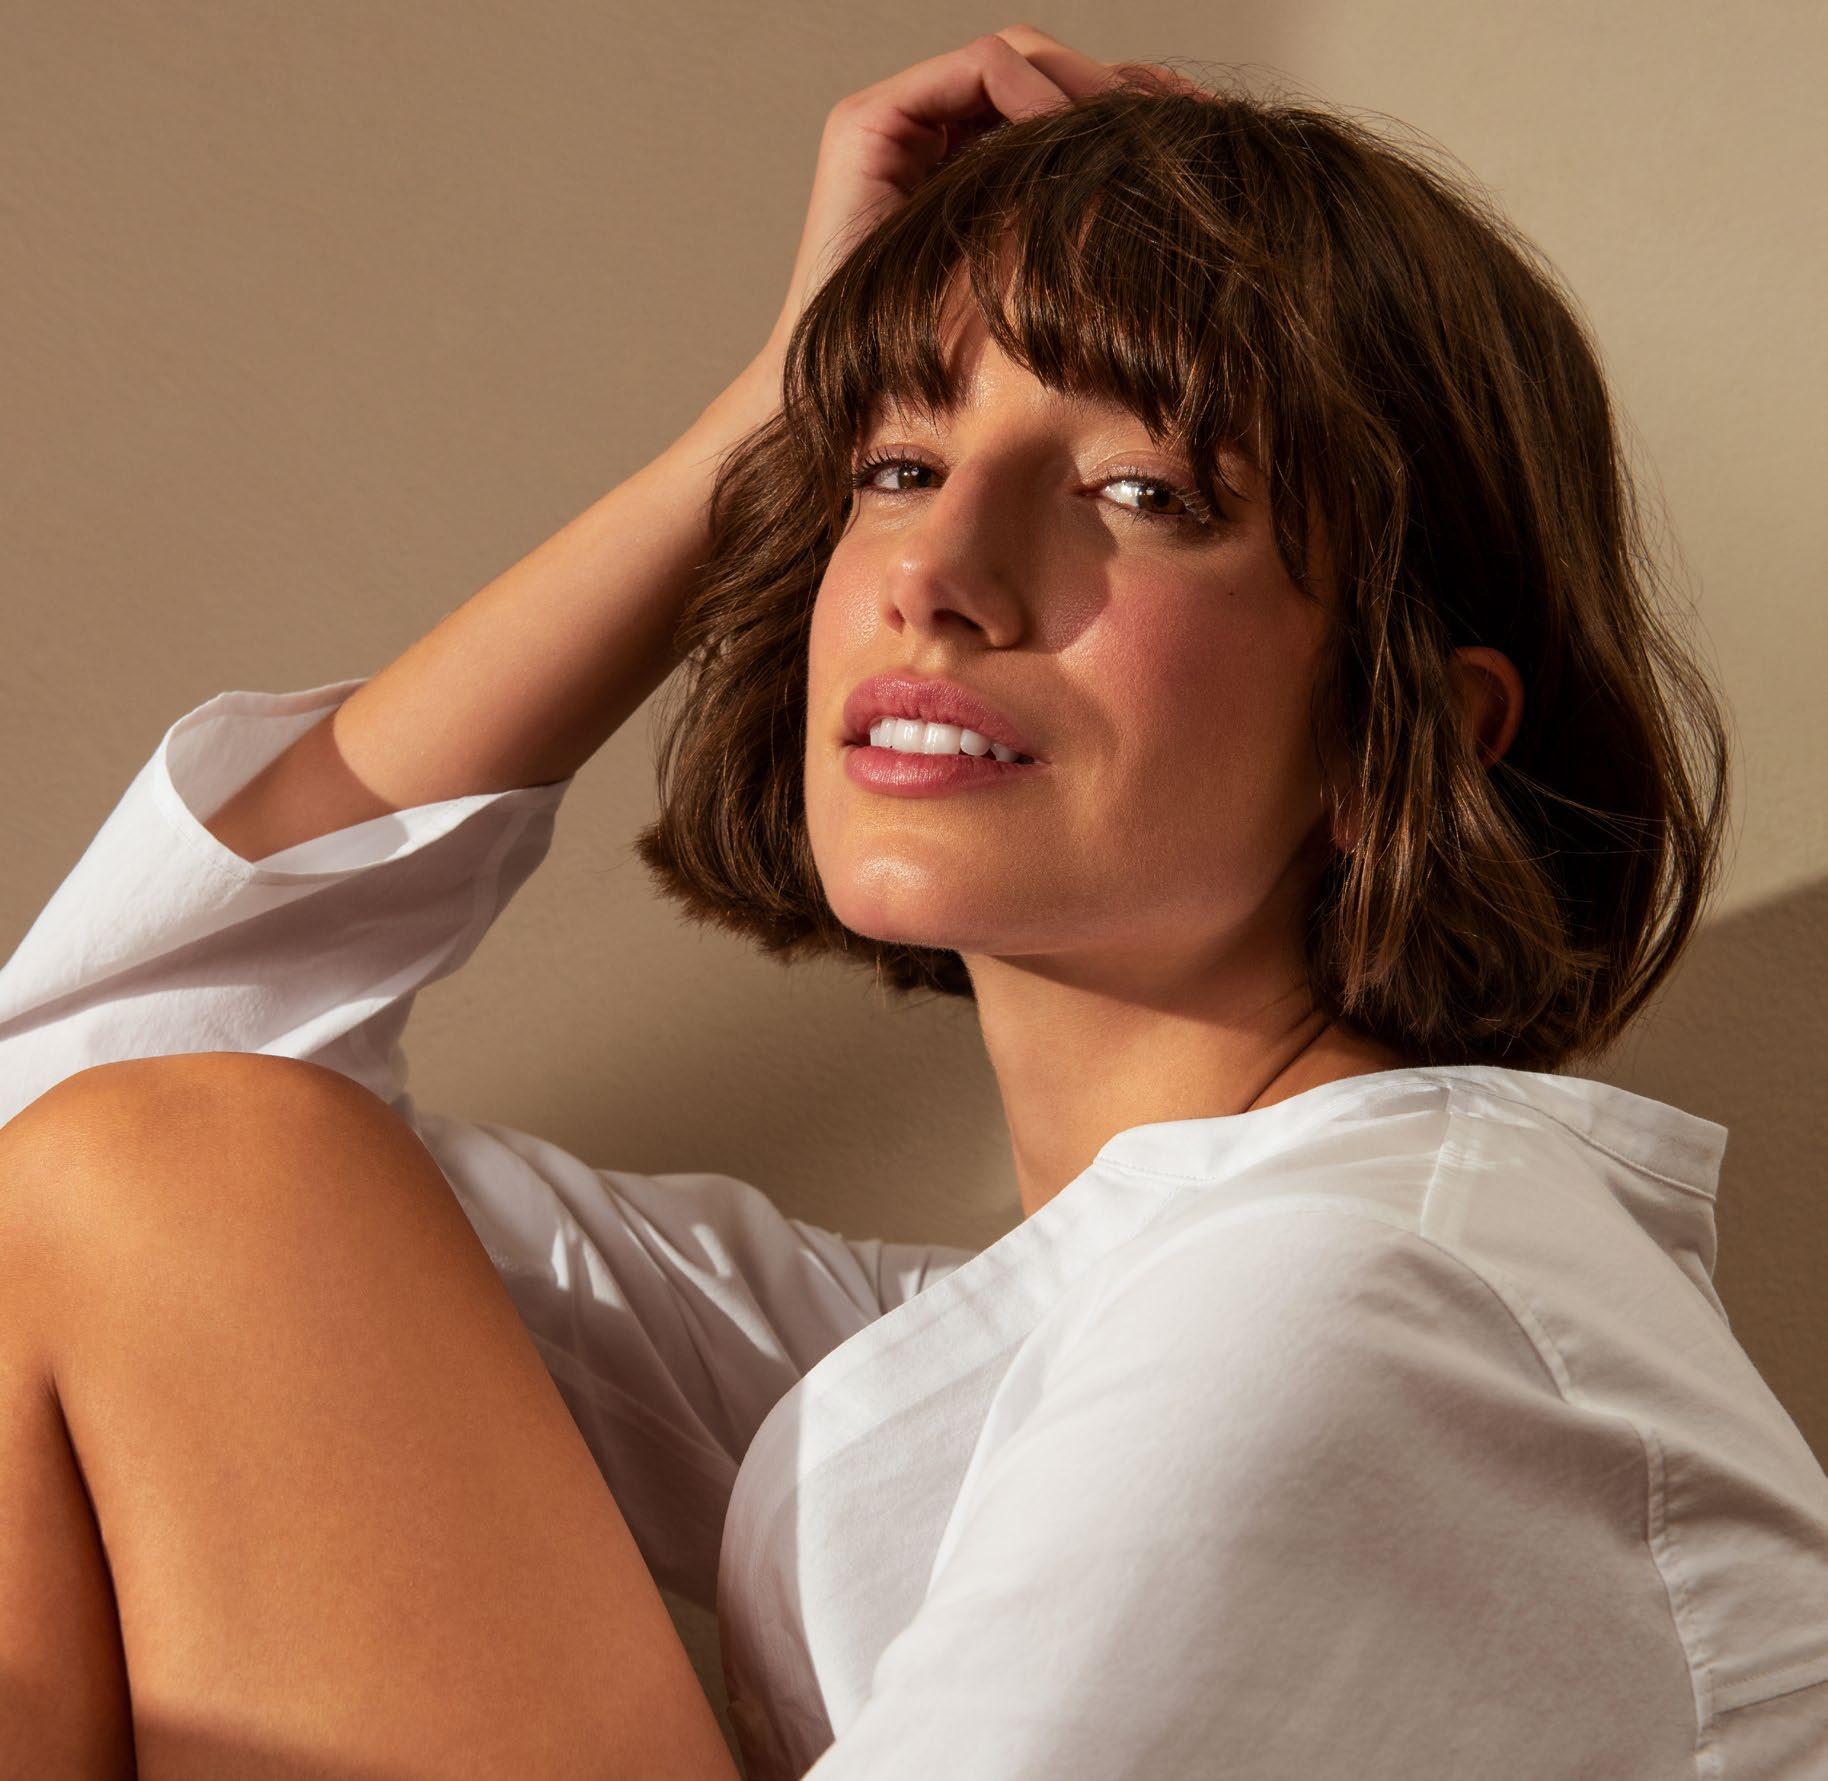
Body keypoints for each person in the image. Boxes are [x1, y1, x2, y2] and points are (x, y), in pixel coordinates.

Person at [1, 23, 1823, 1780]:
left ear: (1391, 725)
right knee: (170, 1166)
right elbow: (114, 1113)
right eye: (894, 465)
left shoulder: (1358, 1308)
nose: (937, 572)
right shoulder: (1090, 1312)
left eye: (1145, 490)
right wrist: (761, 412)